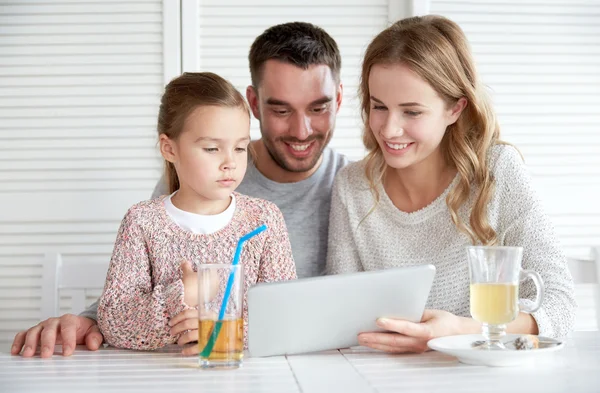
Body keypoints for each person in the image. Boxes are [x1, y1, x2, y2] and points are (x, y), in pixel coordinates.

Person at [12, 22, 348, 357]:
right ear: (255, 103)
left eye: (318, 108)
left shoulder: (298, 206)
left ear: (339, 100)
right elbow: (120, 310)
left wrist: (219, 331)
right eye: (281, 109)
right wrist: (178, 298)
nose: (301, 130)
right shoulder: (150, 215)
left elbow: (284, 316)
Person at [326, 15, 576, 353]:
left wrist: (462, 331)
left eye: (411, 112)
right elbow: (338, 317)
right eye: (378, 107)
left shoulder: (496, 171)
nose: (388, 130)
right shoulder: (352, 186)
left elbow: (560, 306)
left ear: (455, 109)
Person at [97, 71, 297, 351]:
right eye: (212, 148)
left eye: (240, 148)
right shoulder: (142, 222)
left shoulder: (263, 220)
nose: (230, 162)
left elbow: (286, 314)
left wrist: (221, 332)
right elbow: (115, 322)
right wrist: (186, 293)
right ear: (169, 148)